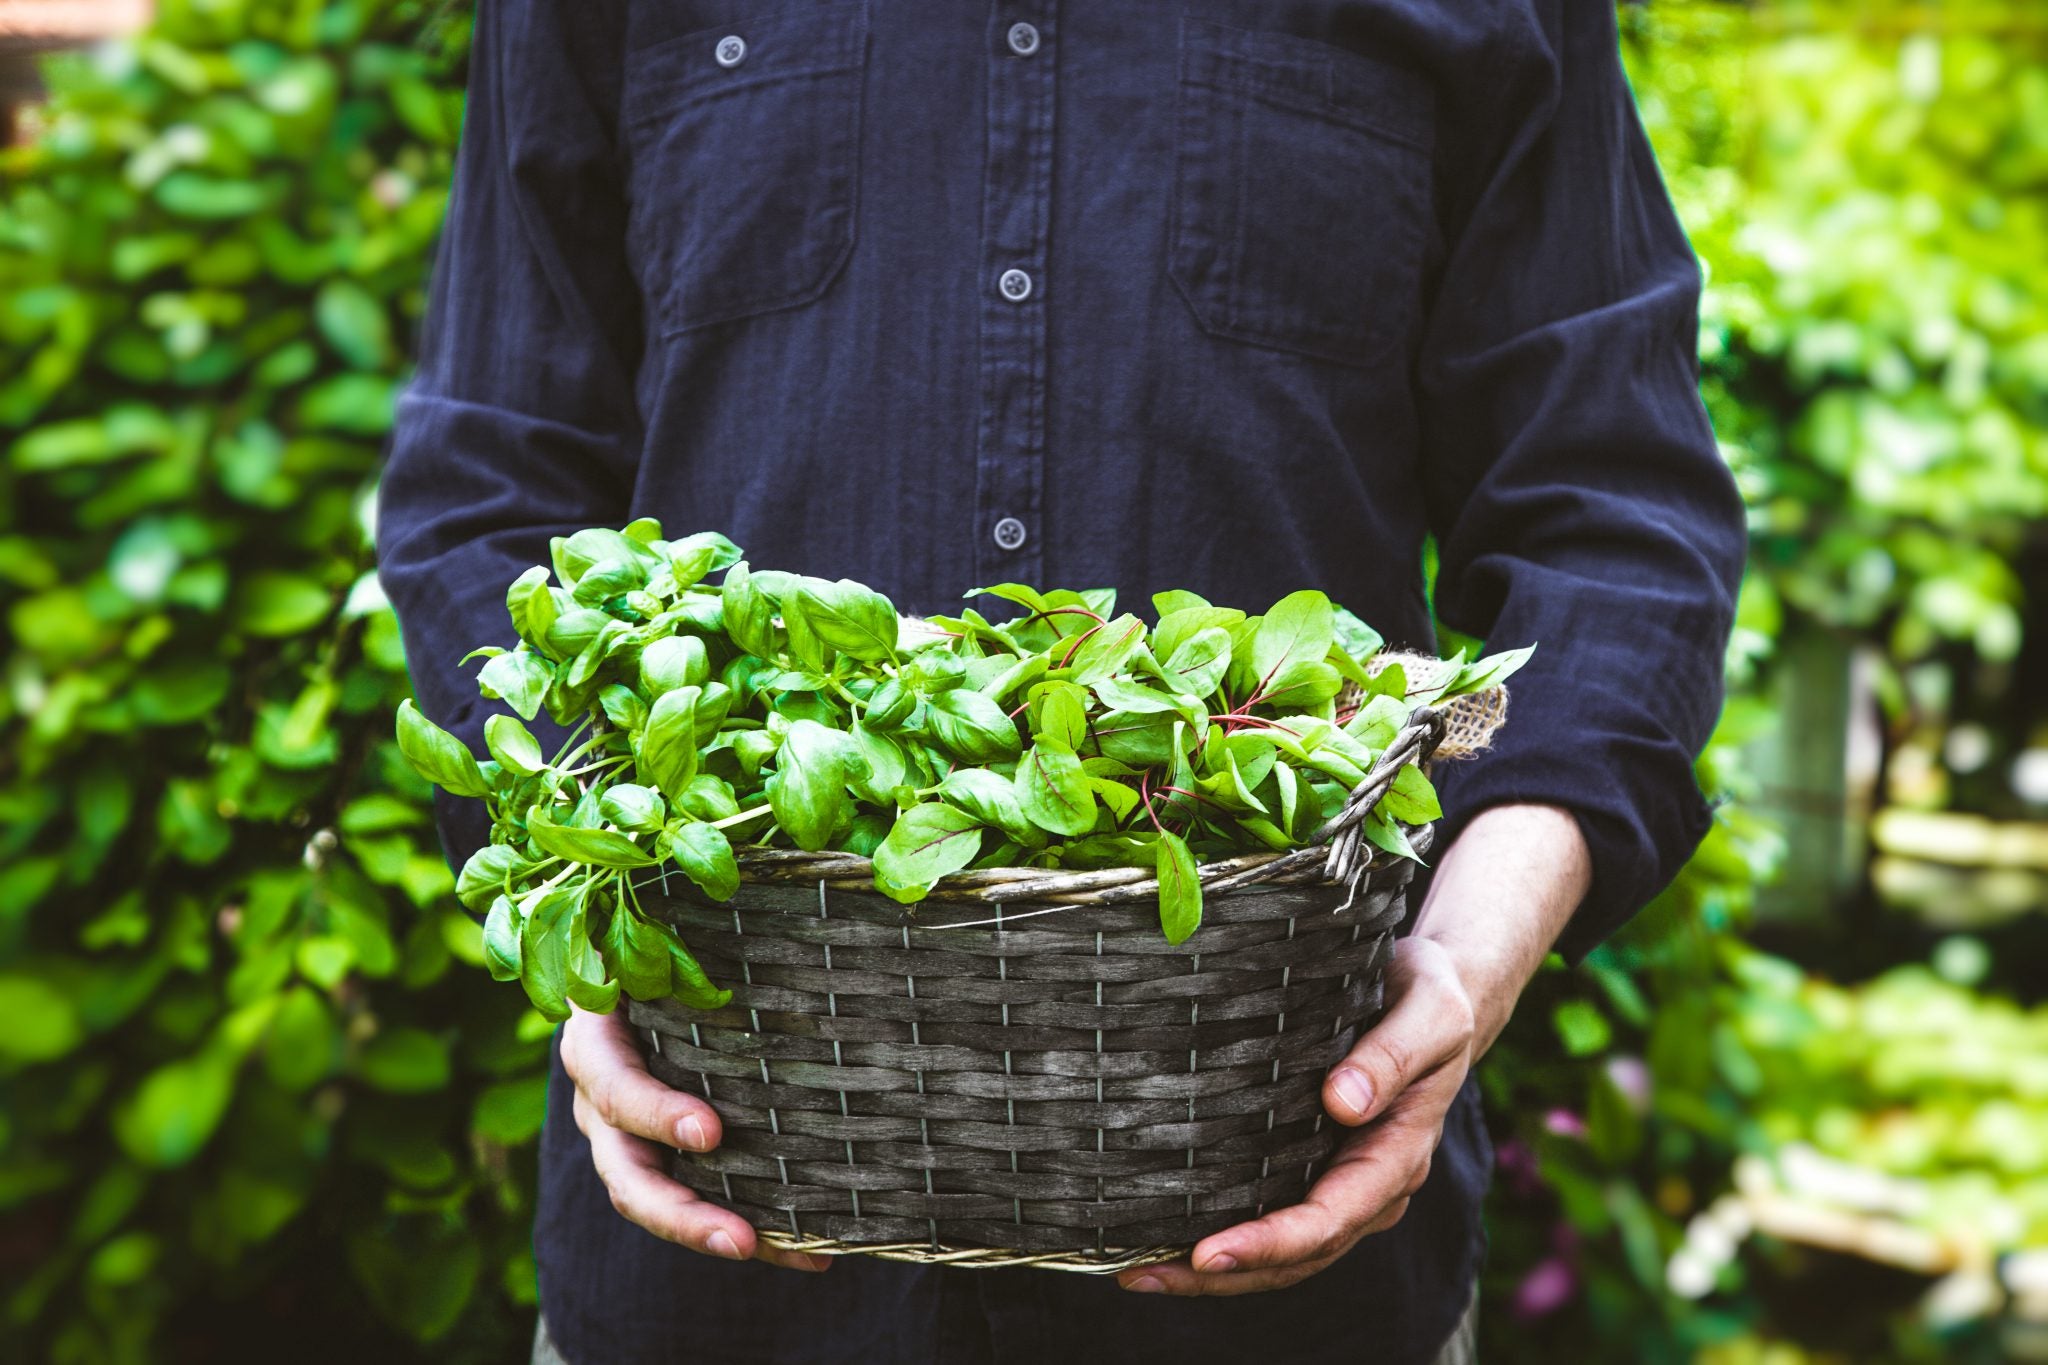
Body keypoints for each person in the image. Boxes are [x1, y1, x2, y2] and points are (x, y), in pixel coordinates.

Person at [376, 2, 1746, 1361]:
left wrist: (1464, 959)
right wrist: (595, 924)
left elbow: (1610, 516)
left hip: (1289, 1261)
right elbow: (488, 485)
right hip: (726, 1268)